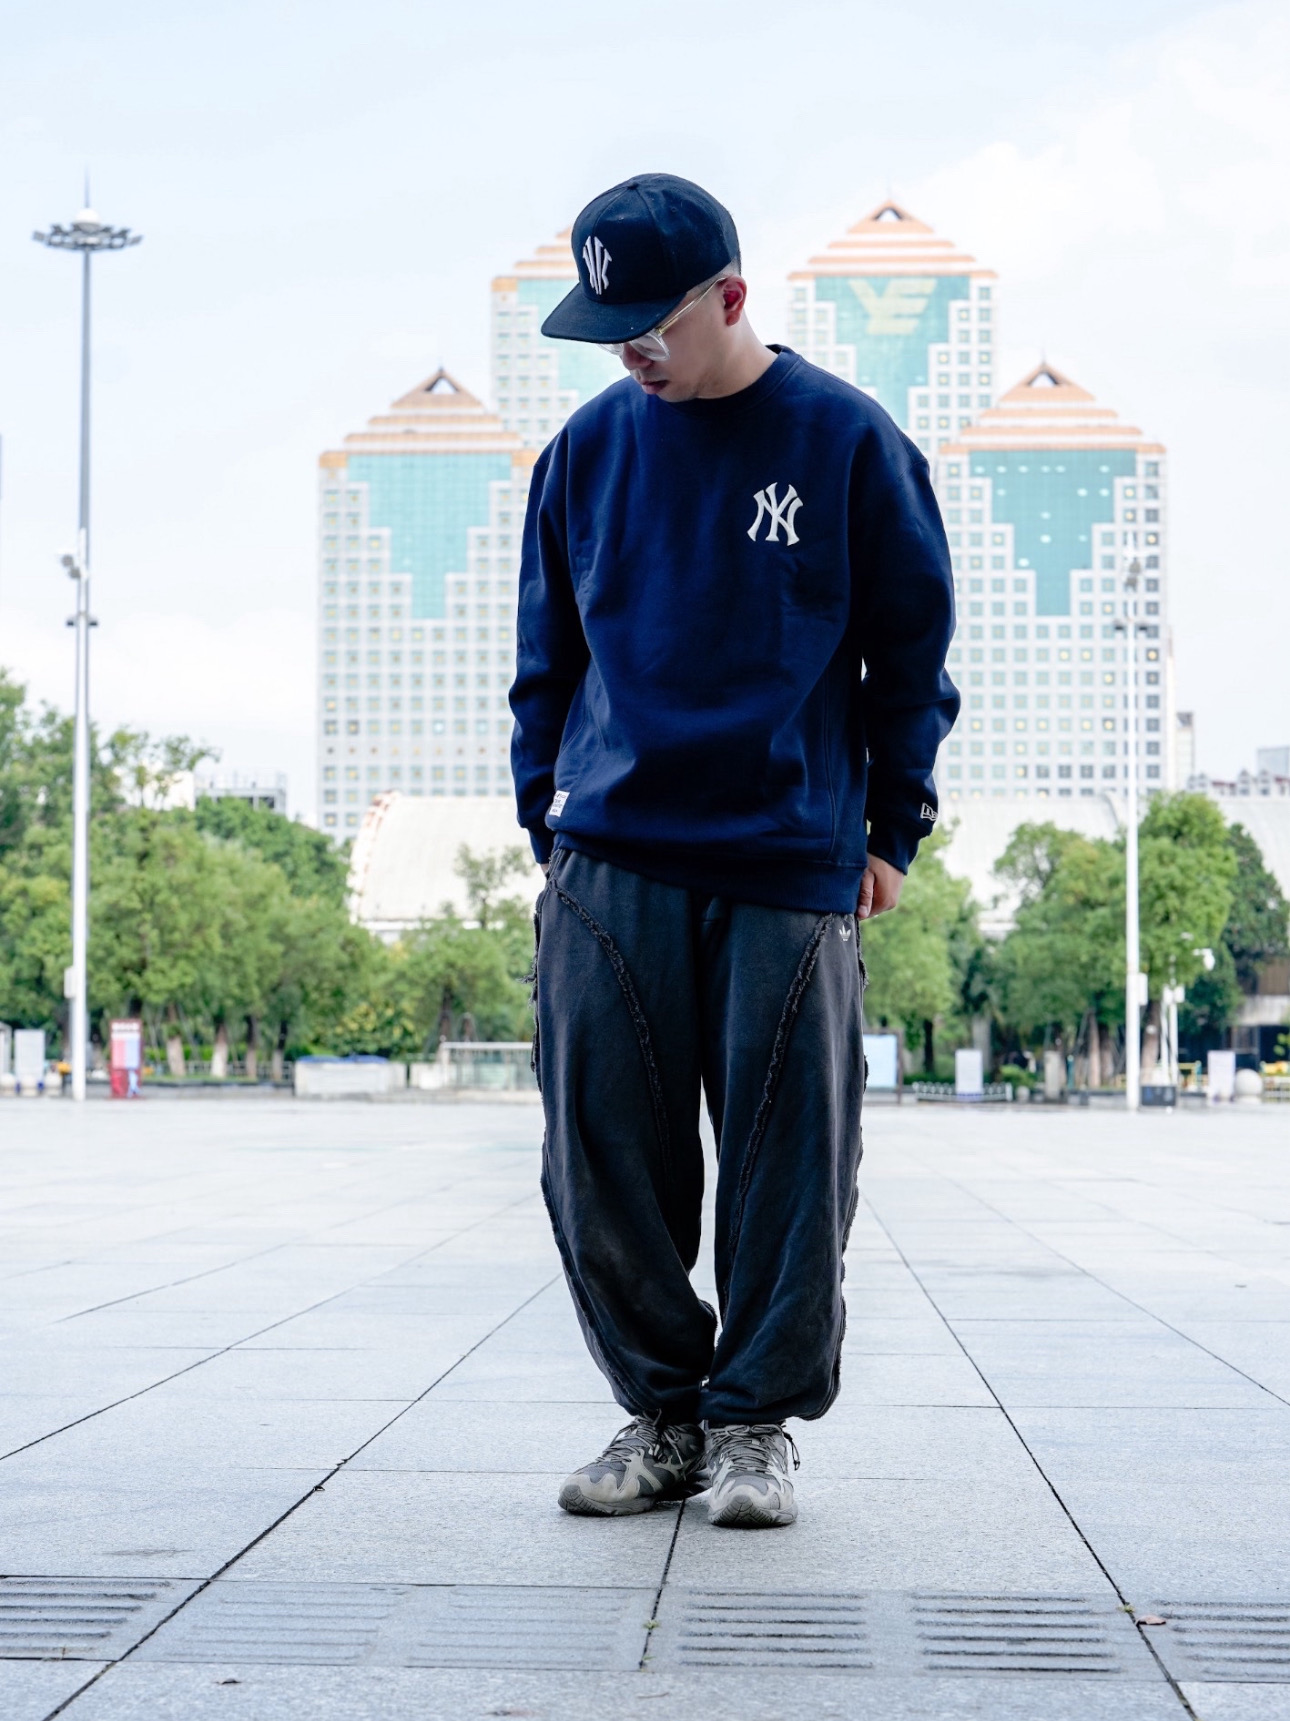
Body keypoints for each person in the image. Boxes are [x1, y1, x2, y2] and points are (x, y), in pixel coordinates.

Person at [510, 173, 959, 1529]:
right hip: (611, 858)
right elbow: (545, 659)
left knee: (789, 1165)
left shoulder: (846, 442)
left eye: (651, 324)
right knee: (603, 1157)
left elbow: (911, 657)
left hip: (785, 855)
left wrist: (891, 827)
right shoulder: (586, 453)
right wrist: (545, 817)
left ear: (731, 297)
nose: (629, 352)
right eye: (608, 330)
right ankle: (659, 1412)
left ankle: (751, 1423)